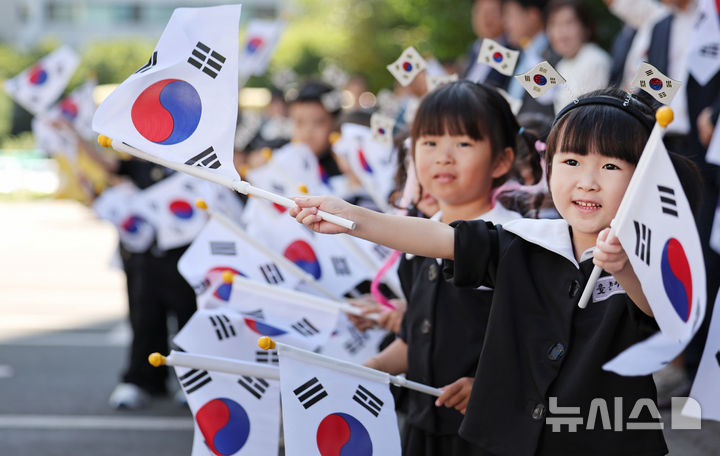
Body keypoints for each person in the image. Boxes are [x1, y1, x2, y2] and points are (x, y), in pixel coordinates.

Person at [289, 88, 672, 455]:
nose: (587, 182)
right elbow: (440, 238)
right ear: (548, 167)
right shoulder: (523, 241)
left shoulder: (655, 252)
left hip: (608, 439)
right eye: (571, 162)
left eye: (610, 166)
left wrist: (624, 271)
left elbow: (663, 316)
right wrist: (353, 217)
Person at [362, 81, 534, 456]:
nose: (443, 157)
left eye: (463, 143)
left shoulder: (516, 242)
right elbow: (415, 339)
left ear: (502, 161)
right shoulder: (414, 244)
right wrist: (372, 366)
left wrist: (489, 384)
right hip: (423, 425)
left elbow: (539, 343)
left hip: (491, 432)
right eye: (429, 142)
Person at [546, 0, 611, 112]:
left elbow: (590, 113)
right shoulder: (562, 64)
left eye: (569, 23)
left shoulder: (594, 60)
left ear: (586, 28)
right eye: (555, 24)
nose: (561, 32)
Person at [463, 0, 512, 88]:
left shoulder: (511, 51)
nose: (485, 18)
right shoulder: (474, 49)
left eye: (492, 12)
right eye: (479, 11)